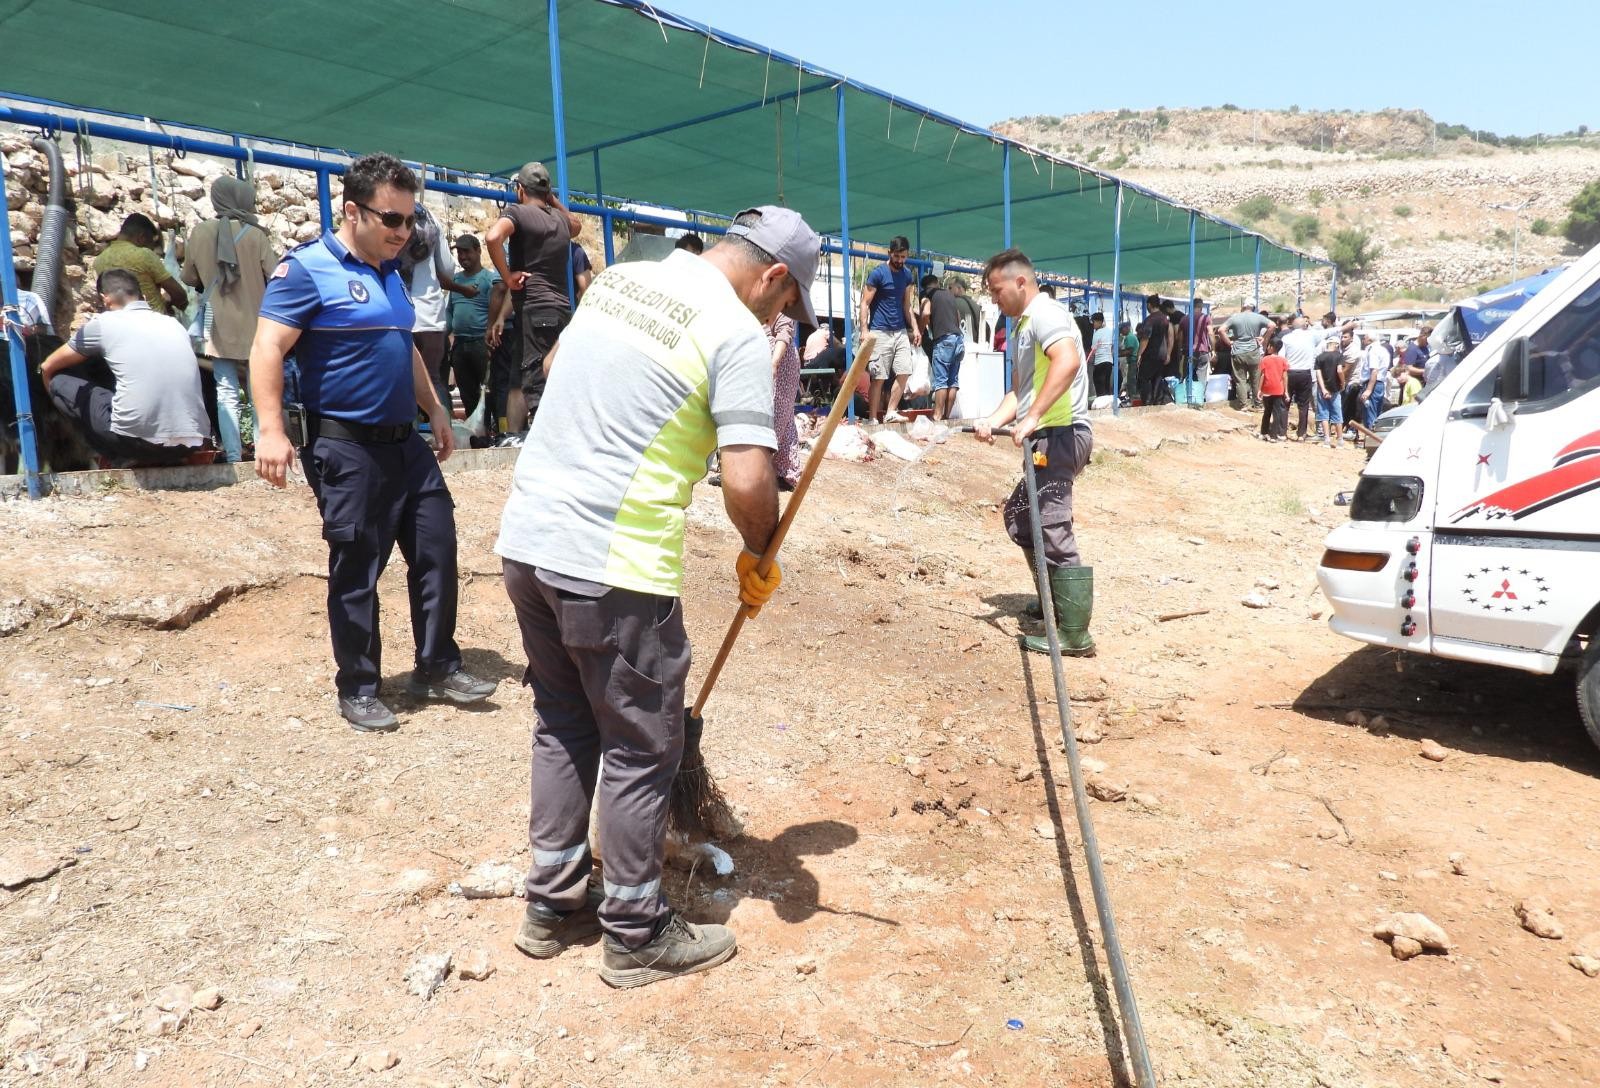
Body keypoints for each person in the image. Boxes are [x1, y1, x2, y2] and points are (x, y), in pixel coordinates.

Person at [497, 205, 814, 987]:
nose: (781, 317)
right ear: (772, 276)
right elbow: (746, 477)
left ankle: (553, 901)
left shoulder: (623, 280)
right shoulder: (738, 335)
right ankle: (635, 932)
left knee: (563, 722)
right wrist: (759, 549)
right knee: (641, 746)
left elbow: (554, 367)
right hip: (614, 565)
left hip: (529, 539)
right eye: (786, 301)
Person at [249, 152, 496, 732]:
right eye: (392, 220)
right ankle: (358, 685)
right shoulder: (306, 270)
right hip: (346, 447)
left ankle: (436, 666)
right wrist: (270, 429)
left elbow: (402, 345)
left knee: (436, 551)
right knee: (358, 566)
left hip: (404, 444)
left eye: (410, 222)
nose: (403, 233)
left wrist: (434, 406)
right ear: (353, 211)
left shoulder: (390, 273)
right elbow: (266, 348)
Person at [971, 248, 1094, 657]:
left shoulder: (1046, 315)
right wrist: (994, 419)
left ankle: (1075, 635)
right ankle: (1050, 601)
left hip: (1061, 434)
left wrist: (1034, 416)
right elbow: (1018, 393)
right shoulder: (1023, 327)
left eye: (996, 289)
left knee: (1052, 527)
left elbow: (1069, 361)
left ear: (1020, 282)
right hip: (1046, 433)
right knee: (1022, 516)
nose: (993, 299)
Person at [40, 268, 210, 465]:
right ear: (142, 296)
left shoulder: (103, 324)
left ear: (105, 299)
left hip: (135, 443)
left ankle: (114, 455)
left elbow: (48, 366)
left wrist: (57, 407)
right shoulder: (174, 325)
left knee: (59, 380)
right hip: (190, 445)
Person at [181, 176, 277, 463]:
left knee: (225, 391)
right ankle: (262, 451)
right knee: (258, 389)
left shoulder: (199, 232)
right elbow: (274, 274)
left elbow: (188, 277)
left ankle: (234, 455)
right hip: (257, 322)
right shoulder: (256, 235)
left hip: (218, 325)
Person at [485, 161, 583, 433]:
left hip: (535, 307)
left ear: (519, 189)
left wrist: (507, 277)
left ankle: (548, 440)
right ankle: (515, 437)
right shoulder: (561, 220)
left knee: (537, 381)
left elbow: (493, 237)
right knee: (521, 377)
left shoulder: (518, 212)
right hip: (561, 309)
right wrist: (553, 200)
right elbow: (577, 226)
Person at [403, 204, 476, 415]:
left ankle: (411, 439)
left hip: (398, 314)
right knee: (433, 378)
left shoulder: (386, 216)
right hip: (430, 315)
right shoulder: (431, 218)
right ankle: (445, 436)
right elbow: (447, 268)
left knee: (404, 382)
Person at [859, 236, 919, 423]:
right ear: (889, 253)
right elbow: (864, 303)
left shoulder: (907, 275)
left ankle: (891, 412)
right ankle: (872, 419)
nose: (900, 260)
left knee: (905, 371)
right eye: (897, 256)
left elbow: (907, 305)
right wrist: (864, 330)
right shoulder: (878, 274)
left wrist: (915, 329)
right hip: (880, 331)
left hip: (900, 331)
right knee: (879, 377)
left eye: (904, 257)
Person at [93, 212, 188, 315]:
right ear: (141, 237)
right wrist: (170, 304)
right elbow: (179, 295)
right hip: (152, 321)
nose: (152, 249)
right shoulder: (144, 255)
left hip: (119, 323)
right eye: (151, 244)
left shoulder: (99, 260)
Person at [447, 234, 498, 421]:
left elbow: (495, 310)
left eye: (466, 251)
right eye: (459, 252)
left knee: (488, 392)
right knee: (467, 394)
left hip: (481, 344)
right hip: (460, 345)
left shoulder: (488, 279)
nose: (462, 256)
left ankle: (491, 429)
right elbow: (449, 311)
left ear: (478, 251)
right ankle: (474, 434)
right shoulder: (456, 281)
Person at [919, 273, 964, 421]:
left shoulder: (927, 295)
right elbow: (957, 317)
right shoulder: (950, 295)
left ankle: (937, 416)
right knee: (953, 380)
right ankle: (946, 416)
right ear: (937, 283)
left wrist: (919, 330)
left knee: (941, 380)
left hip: (943, 340)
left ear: (924, 287)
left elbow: (926, 313)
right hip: (957, 339)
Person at [767, 310, 803, 489]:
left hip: (780, 362)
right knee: (784, 419)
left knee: (774, 417)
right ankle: (784, 471)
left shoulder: (784, 304)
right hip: (769, 360)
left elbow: (784, 332)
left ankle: (756, 471)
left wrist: (774, 363)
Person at [1217, 297, 1271, 410]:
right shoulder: (1258, 317)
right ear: (1254, 307)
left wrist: (1229, 343)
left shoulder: (1235, 317)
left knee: (1240, 379)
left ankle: (1243, 405)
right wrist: (1263, 338)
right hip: (1253, 351)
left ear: (1243, 306)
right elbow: (1272, 326)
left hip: (1238, 351)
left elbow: (1221, 330)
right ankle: (1258, 403)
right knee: (1255, 379)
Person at [1279, 315, 1320, 442]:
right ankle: (1301, 434)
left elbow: (1282, 357)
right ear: (1305, 326)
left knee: (1285, 403)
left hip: (1290, 373)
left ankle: (1282, 432)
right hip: (1305, 373)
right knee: (1303, 405)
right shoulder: (1311, 336)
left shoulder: (1286, 338)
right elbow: (1328, 332)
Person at [1135, 294, 1169, 405]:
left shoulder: (1150, 320)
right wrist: (1168, 353)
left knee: (1144, 378)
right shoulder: (1165, 318)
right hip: (1162, 354)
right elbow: (1169, 336)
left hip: (1150, 355)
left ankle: (1147, 403)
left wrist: (1139, 354)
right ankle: (1157, 402)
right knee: (1158, 378)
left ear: (1149, 305)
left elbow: (1145, 339)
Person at [1313, 334, 1345, 447]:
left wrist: (1323, 389)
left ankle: (1327, 439)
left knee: (1324, 414)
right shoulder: (1339, 356)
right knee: (1337, 413)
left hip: (1323, 390)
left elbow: (1318, 374)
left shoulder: (1320, 357)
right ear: (1337, 345)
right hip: (1335, 388)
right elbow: (1340, 370)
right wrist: (1343, 382)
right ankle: (1340, 439)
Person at [1355, 329, 1389, 433]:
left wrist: (1369, 389)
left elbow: (1374, 371)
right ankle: (1375, 436)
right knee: (1376, 411)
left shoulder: (1373, 351)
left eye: (1364, 338)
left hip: (1372, 384)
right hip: (1379, 384)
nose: (1363, 340)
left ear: (1369, 340)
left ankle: (1371, 438)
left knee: (1370, 412)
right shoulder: (1383, 350)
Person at [1258, 337, 1289, 441]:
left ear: (1271, 347)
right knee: (1277, 413)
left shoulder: (1265, 359)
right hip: (1278, 389)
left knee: (1267, 411)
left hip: (1267, 389)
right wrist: (1286, 391)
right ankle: (1273, 436)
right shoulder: (1283, 360)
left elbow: (1262, 375)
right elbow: (1285, 376)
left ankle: (1263, 432)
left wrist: (1259, 389)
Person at [949, 276, 985, 344]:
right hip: (975, 346)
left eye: (950, 288)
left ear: (959, 288)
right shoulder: (976, 305)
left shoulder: (953, 303)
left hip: (959, 346)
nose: (948, 291)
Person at [1088, 311, 1115, 397]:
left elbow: (1093, 349)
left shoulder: (1097, 333)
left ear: (1099, 321)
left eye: (1094, 322)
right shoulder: (1110, 331)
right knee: (1107, 384)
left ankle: (1101, 404)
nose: (1093, 324)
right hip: (1109, 362)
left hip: (1099, 362)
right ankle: (1107, 404)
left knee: (1099, 384)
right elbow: (1113, 347)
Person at [1189, 298, 1213, 385]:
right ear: (1201, 306)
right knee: (1202, 376)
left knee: (1189, 374)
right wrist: (1213, 349)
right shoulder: (1206, 318)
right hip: (1203, 352)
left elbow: (1180, 338)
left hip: (1189, 352)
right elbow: (1210, 333)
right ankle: (1200, 395)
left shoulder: (1185, 319)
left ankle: (1188, 395)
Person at [1118, 319, 1137, 403]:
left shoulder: (1130, 337)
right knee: (1128, 380)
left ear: (1126, 328)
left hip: (1132, 361)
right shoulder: (1128, 337)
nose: (1121, 332)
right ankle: (1129, 397)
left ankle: (1132, 398)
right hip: (1130, 361)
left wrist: (1117, 354)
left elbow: (1129, 351)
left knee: (1130, 381)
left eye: (1121, 329)